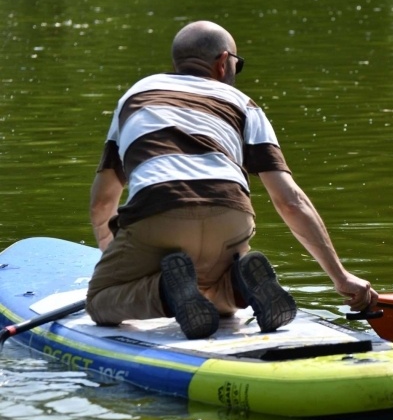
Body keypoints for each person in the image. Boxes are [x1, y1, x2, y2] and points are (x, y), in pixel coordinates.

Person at [86, 20, 378, 339]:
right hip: (230, 215)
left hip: (157, 213)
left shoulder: (136, 95)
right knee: (214, 299)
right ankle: (239, 284)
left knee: (100, 302)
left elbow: (103, 202)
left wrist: (115, 263)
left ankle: (167, 292)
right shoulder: (244, 105)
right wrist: (341, 277)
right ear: (224, 61)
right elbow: (290, 200)